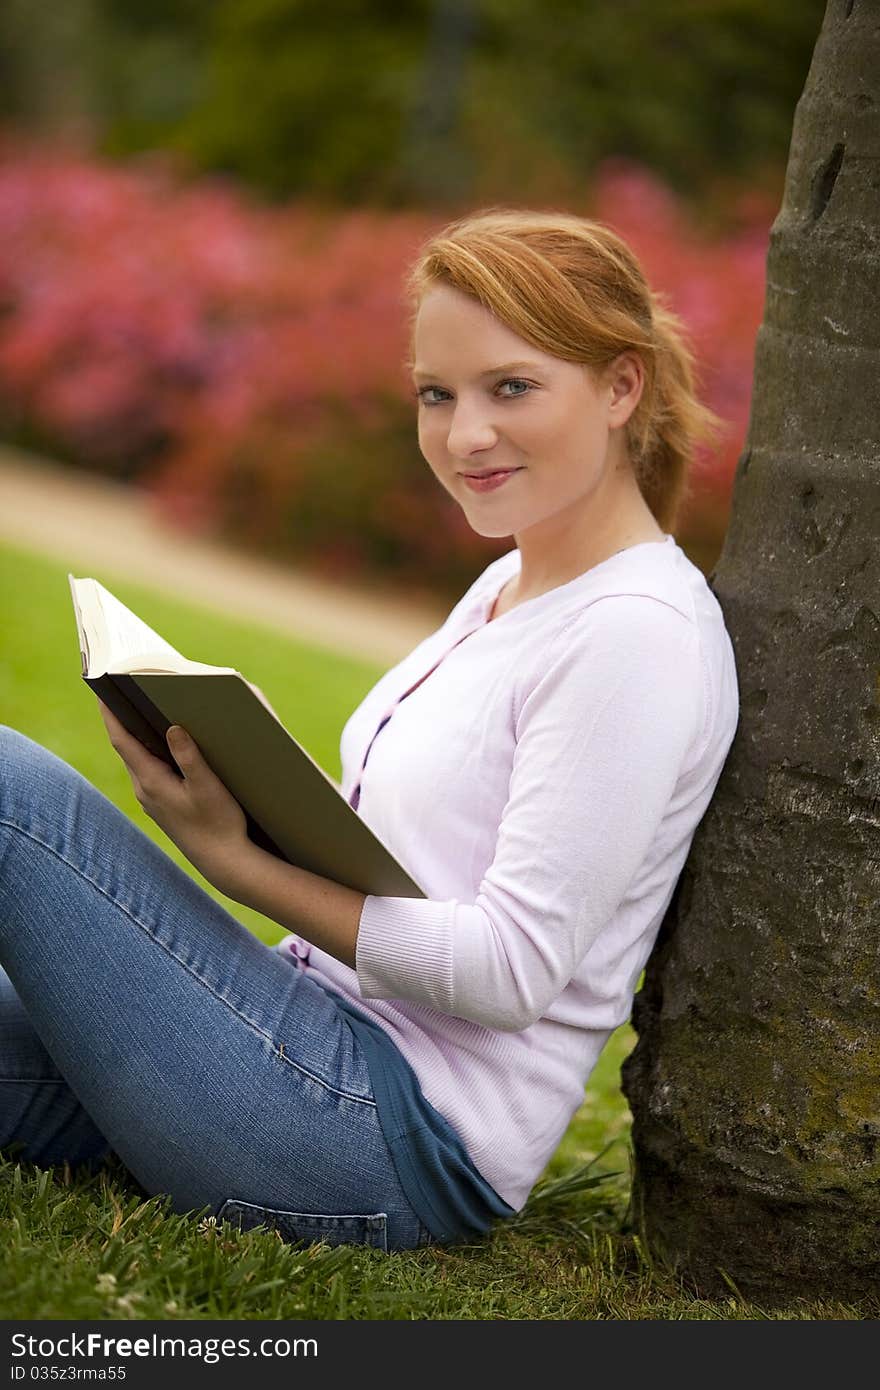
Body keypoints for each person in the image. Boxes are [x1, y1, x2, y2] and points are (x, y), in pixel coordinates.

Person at [0, 208, 739, 1254]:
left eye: (510, 387)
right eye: (437, 394)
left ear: (621, 386)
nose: (463, 434)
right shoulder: (510, 580)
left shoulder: (637, 637)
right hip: (289, 1035)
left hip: (381, 1137)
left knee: (11, 793)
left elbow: (509, 969)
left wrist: (233, 862)